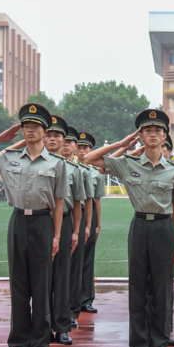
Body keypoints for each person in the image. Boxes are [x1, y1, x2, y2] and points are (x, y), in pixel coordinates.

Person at [0, 103, 69, 347]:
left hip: (43, 223)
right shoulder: (8, 158)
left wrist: (57, 236)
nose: (30, 130)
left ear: (45, 131)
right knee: (19, 287)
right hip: (18, 222)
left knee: (41, 287)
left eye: (35, 126)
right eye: (26, 126)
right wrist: (0, 138)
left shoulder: (57, 163)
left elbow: (59, 202)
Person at [84, 109, 174, 347]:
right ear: (140, 135)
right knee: (138, 288)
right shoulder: (127, 164)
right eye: (147, 130)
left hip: (164, 228)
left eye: (158, 130)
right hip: (139, 226)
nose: (153, 134)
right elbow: (89, 158)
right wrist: (122, 144)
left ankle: (158, 346)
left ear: (165, 136)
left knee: (162, 289)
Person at [64, 126, 94, 330]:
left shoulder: (81, 171)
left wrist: (88, 225)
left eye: (69, 142)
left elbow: (88, 200)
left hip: (75, 216)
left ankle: (72, 308)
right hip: (51, 217)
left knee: (75, 266)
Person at [75, 131, 105, 316]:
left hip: (89, 215)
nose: (82, 150)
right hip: (72, 214)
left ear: (91, 150)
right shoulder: (67, 167)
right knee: (71, 258)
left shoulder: (96, 172)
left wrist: (98, 223)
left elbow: (97, 200)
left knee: (87, 257)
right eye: (79, 147)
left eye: (85, 147)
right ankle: (70, 298)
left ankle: (86, 299)